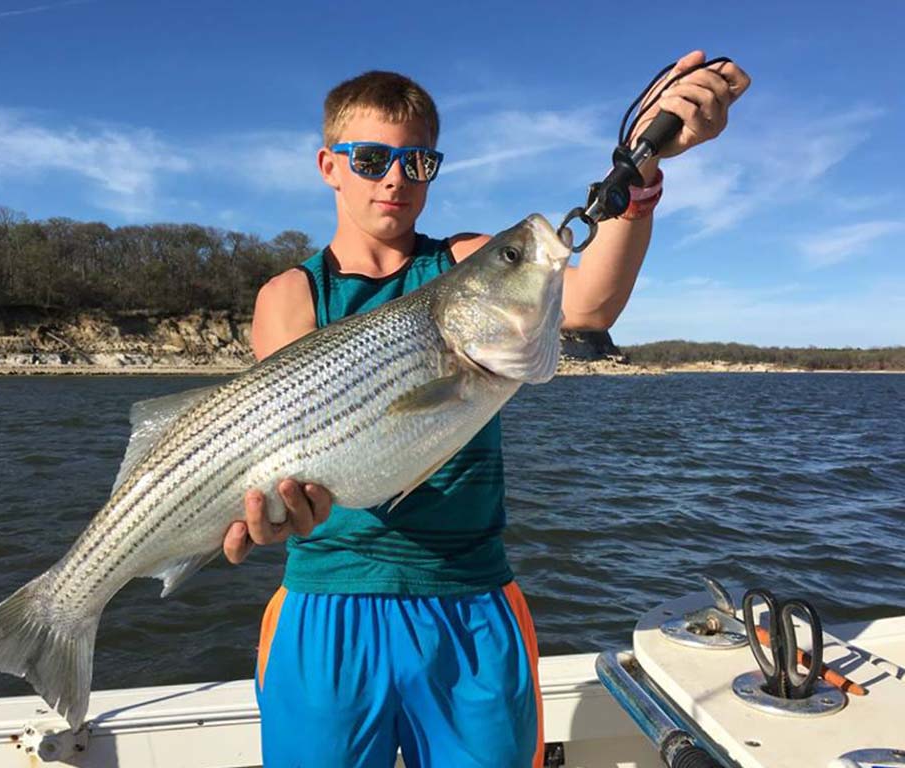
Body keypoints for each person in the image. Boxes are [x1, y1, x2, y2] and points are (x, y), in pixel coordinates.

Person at [223, 51, 750, 768]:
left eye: (418, 163)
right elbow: (286, 453)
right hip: (325, 603)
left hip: (471, 603)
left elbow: (591, 299)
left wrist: (643, 170)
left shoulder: (464, 261)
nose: (395, 180)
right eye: (372, 158)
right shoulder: (289, 294)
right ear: (328, 165)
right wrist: (270, 509)